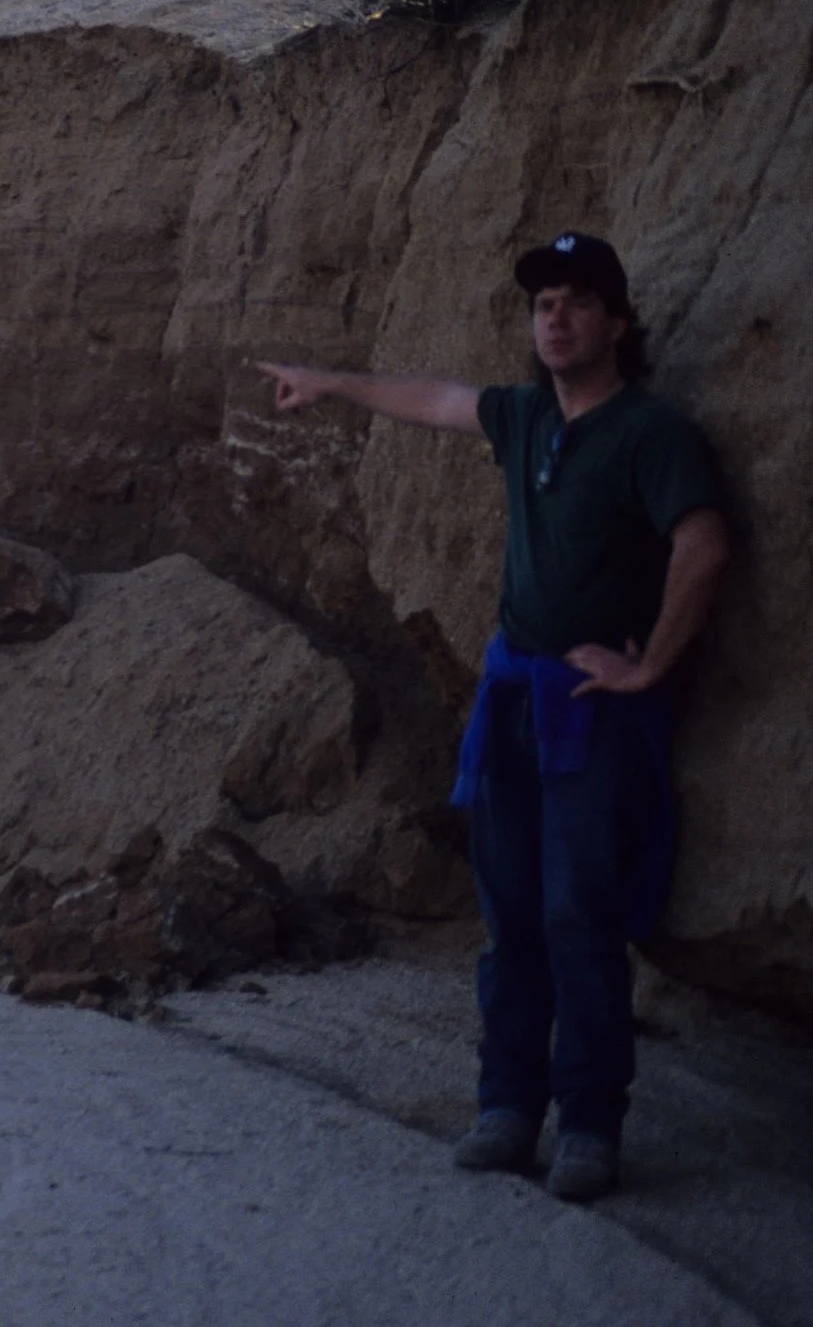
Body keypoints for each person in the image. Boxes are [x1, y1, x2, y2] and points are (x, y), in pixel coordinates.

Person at [255, 232, 732, 1203]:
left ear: (616, 323)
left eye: (574, 302)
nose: (553, 318)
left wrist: (652, 667)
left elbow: (704, 541)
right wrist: (330, 382)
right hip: (510, 698)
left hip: (591, 711)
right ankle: (507, 1109)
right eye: (541, 304)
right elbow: (433, 398)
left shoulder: (651, 432)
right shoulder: (524, 417)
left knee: (576, 915)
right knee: (510, 913)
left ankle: (590, 1125)